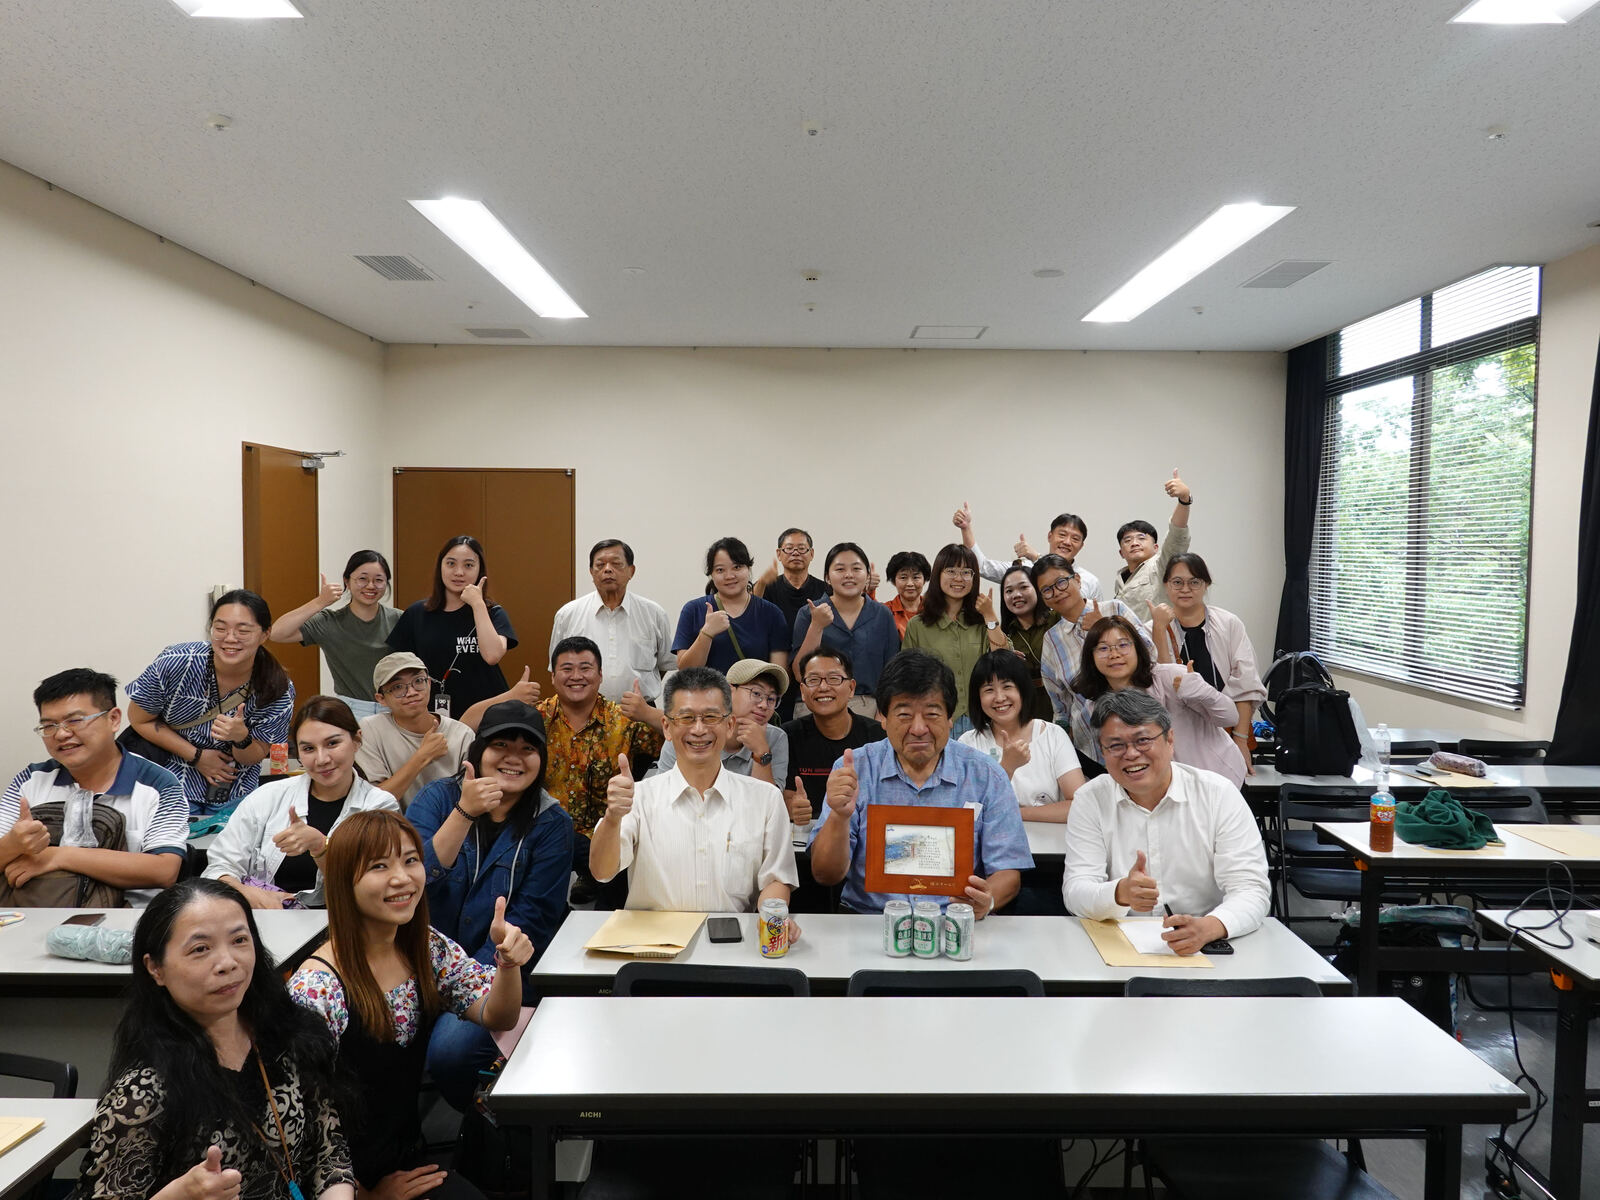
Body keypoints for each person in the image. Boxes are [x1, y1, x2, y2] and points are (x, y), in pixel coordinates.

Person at [290, 810, 531, 1198]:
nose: (402, 878)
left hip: (405, 1160)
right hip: (339, 1184)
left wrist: (507, 964)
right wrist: (367, 1195)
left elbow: (498, 1015)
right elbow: (292, 1124)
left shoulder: (423, 947)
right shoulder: (318, 989)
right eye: (379, 866)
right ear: (342, 881)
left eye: (410, 860)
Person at [77, 877, 355, 1200]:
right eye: (200, 949)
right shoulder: (142, 1092)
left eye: (239, 940)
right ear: (156, 968)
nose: (227, 963)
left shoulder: (288, 1037)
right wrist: (180, 1194)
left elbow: (330, 1154)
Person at [407, 701, 573, 1111]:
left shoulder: (552, 823)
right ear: (477, 752)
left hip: (501, 972)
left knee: (450, 1051)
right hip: (417, 961)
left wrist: (460, 982)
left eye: (528, 748)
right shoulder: (436, 799)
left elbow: (534, 916)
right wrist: (464, 813)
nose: (513, 758)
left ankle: (485, 1124)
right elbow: (412, 879)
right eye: (501, 744)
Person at [810, 650, 1033, 916]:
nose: (918, 728)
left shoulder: (986, 776)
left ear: (950, 718)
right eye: (904, 715)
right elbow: (825, 875)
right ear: (882, 718)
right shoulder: (855, 770)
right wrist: (839, 816)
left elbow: (1008, 870)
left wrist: (987, 900)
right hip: (868, 920)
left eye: (932, 714)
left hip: (955, 921)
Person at [1062, 690, 1270, 953]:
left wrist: (1210, 926)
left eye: (1143, 740)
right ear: (1103, 752)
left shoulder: (1218, 794)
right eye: (1115, 745)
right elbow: (1076, 890)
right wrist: (1119, 893)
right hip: (1118, 948)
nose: (1131, 754)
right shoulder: (1090, 799)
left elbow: (1251, 889)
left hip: (1208, 948)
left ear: (1170, 739)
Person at [590, 666, 798, 913]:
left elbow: (776, 879)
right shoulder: (640, 797)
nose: (699, 729)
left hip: (732, 944)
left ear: (730, 725)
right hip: (654, 946)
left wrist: (773, 922)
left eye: (711, 717)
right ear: (667, 727)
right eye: (687, 718)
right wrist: (613, 818)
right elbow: (602, 872)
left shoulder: (765, 799)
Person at [0, 668, 187, 907]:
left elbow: (164, 871)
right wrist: (11, 846)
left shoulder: (158, 784)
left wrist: (58, 856)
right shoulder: (32, 779)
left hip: (126, 925)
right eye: (49, 726)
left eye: (75, 721)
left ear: (114, 719)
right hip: (34, 916)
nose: (62, 734)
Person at [204, 697, 399, 909]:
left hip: (344, 927)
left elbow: (376, 886)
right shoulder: (268, 796)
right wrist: (248, 894)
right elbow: (219, 867)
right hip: (268, 921)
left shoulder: (380, 806)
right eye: (308, 749)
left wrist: (321, 847)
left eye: (332, 743)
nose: (322, 759)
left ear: (357, 740)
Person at [127, 589, 295, 814]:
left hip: (236, 794)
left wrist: (241, 738)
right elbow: (139, 719)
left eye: (243, 630)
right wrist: (197, 756)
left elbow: (256, 754)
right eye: (220, 628)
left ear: (265, 634)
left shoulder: (278, 688)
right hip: (168, 786)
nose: (230, 638)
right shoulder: (176, 662)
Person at [534, 636, 663, 906]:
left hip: (606, 833)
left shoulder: (624, 720)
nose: (576, 676)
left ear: (600, 675)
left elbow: (682, 738)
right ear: (553, 676)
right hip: (547, 833)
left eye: (585, 668)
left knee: (618, 892)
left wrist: (649, 714)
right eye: (567, 669)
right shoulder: (535, 719)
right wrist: (509, 698)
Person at [1071, 615, 1247, 786]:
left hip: (1217, 780)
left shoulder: (1171, 677)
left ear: (1138, 649)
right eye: (1103, 648)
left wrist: (1201, 691)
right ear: (1091, 657)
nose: (1114, 654)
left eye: (1123, 645)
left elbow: (1230, 718)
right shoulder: (1097, 704)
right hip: (1162, 793)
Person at [1151, 553, 1265, 771]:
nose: (1185, 589)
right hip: (1180, 739)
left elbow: (1246, 685)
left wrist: (1240, 741)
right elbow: (1165, 689)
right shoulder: (1152, 628)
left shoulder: (1229, 624)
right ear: (1166, 585)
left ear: (1206, 585)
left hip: (1228, 732)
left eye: (1194, 582)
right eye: (1177, 582)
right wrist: (1159, 629)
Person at [1033, 556, 1153, 764]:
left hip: (1141, 736)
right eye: (1047, 589)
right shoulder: (1052, 640)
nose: (1057, 592)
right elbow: (1060, 705)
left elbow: (1150, 653)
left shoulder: (1114, 610)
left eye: (1061, 582)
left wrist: (1104, 627)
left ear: (1077, 580)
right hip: (1091, 749)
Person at [386, 535, 517, 719]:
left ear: (480, 571)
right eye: (451, 564)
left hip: (487, 715)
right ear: (440, 567)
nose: (459, 572)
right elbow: (398, 668)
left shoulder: (493, 613)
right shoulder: (417, 613)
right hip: (433, 716)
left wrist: (478, 604)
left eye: (469, 565)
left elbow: (492, 655)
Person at [547, 539, 675, 717]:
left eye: (616, 564)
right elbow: (557, 668)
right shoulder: (567, 614)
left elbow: (663, 663)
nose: (607, 569)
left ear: (631, 571)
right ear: (591, 572)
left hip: (639, 714)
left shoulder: (653, 613)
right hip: (583, 713)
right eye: (600, 565)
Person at [269, 551, 401, 719]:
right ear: (347, 581)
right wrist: (320, 602)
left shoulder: (399, 619)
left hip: (395, 708)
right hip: (351, 710)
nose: (370, 585)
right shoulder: (329, 621)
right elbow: (277, 633)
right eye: (362, 579)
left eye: (379, 580)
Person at [959, 651, 1083, 820]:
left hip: (1051, 844)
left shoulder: (1053, 735)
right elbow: (968, 810)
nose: (999, 697)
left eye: (1007, 687)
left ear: (1023, 690)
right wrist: (1007, 767)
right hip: (992, 845)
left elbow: (1079, 805)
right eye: (989, 690)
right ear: (977, 697)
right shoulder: (968, 743)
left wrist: (1015, 813)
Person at [790, 542, 900, 716]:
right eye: (840, 569)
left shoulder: (882, 614)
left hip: (869, 708)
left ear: (868, 575)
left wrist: (884, 713)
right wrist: (816, 626)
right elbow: (799, 673)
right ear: (827, 577)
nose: (849, 575)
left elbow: (892, 671)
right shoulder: (809, 613)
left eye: (856, 569)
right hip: (817, 706)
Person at [354, 653, 475, 808]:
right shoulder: (370, 729)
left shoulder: (462, 735)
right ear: (381, 699)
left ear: (429, 684)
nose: (411, 692)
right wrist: (422, 756)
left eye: (418, 681)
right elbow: (374, 803)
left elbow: (470, 801)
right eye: (397, 687)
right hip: (392, 828)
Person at [781, 649, 887, 826]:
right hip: (805, 837)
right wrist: (793, 807)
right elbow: (787, 795)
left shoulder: (878, 737)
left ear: (851, 688)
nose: (823, 687)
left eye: (833, 678)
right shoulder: (788, 736)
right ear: (803, 691)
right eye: (814, 680)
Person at [647, 660, 790, 788]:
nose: (764, 705)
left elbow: (768, 807)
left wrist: (761, 753)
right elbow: (662, 793)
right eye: (757, 693)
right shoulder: (689, 733)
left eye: (771, 699)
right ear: (728, 691)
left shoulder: (775, 738)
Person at [899, 544, 990, 732]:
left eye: (966, 572)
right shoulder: (918, 625)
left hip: (980, 719)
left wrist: (991, 618)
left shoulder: (981, 622)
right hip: (935, 721)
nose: (958, 578)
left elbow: (1002, 660)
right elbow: (908, 678)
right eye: (951, 571)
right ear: (937, 575)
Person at [672, 536, 790, 675]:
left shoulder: (771, 613)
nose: (729, 576)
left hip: (755, 696)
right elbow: (685, 670)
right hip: (707, 696)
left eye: (737, 567)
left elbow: (778, 674)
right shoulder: (693, 610)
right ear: (711, 574)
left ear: (748, 568)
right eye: (720, 570)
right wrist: (706, 633)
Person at [955, 500, 1103, 600]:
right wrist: (966, 528)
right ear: (1050, 536)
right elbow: (982, 567)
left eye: (1075, 539)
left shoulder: (1090, 581)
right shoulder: (1025, 567)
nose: (1067, 542)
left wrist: (1037, 557)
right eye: (1062, 535)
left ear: (1082, 545)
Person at [1113, 469, 1194, 621]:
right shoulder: (1120, 580)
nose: (1134, 543)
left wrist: (1184, 500)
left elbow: (1176, 535)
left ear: (1156, 548)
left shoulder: (1160, 565)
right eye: (1127, 540)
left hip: (1160, 641)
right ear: (1121, 553)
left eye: (1141, 538)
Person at [988, 563, 1058, 722]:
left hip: (1060, 702)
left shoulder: (1056, 620)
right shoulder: (1004, 635)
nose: (1016, 595)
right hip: (1023, 708)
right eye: (1009, 591)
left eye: (1023, 587)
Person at [879, 550, 930, 637]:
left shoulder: (934, 609)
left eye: (916, 577)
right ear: (893, 581)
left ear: (924, 580)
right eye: (903, 577)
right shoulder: (885, 611)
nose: (910, 583)